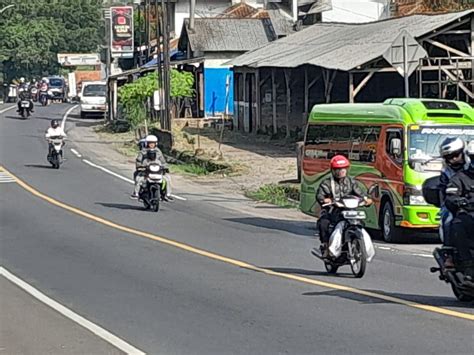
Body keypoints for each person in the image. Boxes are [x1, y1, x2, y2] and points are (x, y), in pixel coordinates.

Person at [315, 155, 372, 257]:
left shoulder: (351, 182)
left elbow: (360, 193)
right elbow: (320, 195)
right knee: (323, 223)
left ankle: (358, 244)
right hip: (333, 211)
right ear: (333, 170)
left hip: (350, 211)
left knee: (361, 223)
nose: (341, 171)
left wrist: (366, 199)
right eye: (337, 169)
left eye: (343, 168)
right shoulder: (327, 183)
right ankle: (327, 247)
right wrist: (325, 199)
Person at [438, 137, 470, 268]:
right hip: (454, 203)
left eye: (456, 155)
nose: (453, 159)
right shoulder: (446, 172)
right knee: (448, 219)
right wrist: (453, 201)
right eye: (449, 157)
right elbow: (444, 192)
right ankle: (449, 254)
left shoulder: (470, 166)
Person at [445, 143, 474, 278]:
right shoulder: (460, 178)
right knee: (458, 224)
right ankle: (467, 265)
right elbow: (451, 196)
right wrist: (459, 201)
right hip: (469, 214)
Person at [131, 134, 172, 200]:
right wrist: (139, 167)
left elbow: (163, 161)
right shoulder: (143, 151)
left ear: (156, 143)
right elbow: (138, 160)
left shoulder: (158, 151)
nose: (151, 145)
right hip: (146, 172)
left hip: (158, 172)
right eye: (150, 143)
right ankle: (136, 193)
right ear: (147, 143)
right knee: (139, 179)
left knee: (168, 178)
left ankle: (168, 194)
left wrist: (165, 168)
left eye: (153, 143)